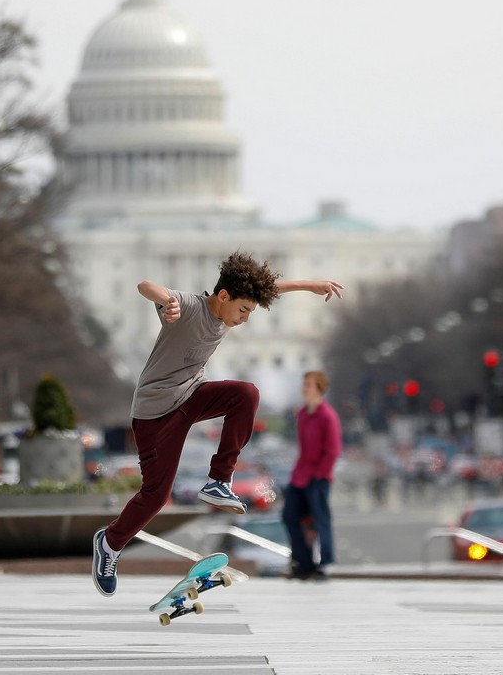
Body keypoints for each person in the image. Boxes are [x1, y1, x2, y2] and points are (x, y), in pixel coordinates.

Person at [92, 251, 343, 597]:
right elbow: (145, 285)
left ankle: (218, 480)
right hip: (155, 411)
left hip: (192, 395)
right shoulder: (191, 306)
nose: (243, 320)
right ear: (223, 296)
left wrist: (310, 285)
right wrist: (167, 303)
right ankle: (109, 543)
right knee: (156, 494)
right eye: (242, 311)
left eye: (250, 313)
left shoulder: (232, 303)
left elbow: (269, 286)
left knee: (246, 394)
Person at [281, 370, 343, 580]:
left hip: (318, 477)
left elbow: (333, 450)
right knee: (289, 516)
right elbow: (303, 448)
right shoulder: (303, 414)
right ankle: (304, 562)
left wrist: (319, 475)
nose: (304, 388)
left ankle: (326, 563)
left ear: (319, 389)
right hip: (300, 474)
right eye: (304, 384)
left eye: (308, 384)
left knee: (320, 519)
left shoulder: (327, 416)